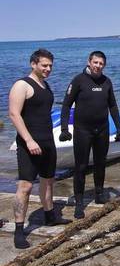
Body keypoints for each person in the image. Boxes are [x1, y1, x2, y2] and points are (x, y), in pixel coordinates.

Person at [9, 49, 71, 249]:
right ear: (33, 64)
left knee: (48, 180)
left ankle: (49, 216)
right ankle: (19, 230)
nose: (48, 69)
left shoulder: (45, 85)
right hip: (29, 144)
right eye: (44, 65)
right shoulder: (22, 85)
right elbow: (14, 115)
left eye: (50, 66)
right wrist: (28, 140)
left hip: (47, 141)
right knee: (25, 186)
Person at [59, 51, 120, 219]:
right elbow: (66, 105)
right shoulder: (79, 80)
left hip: (102, 129)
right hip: (83, 130)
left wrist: (118, 128)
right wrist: (64, 129)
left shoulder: (106, 82)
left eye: (101, 63)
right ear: (89, 62)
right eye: (95, 62)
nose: (98, 66)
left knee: (100, 163)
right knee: (80, 167)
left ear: (104, 65)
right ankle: (79, 203)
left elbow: (113, 106)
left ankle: (99, 194)